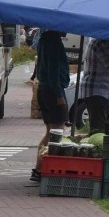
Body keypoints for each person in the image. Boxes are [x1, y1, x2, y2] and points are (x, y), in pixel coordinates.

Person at [31, 30, 70, 182]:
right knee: (57, 131)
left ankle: (39, 168)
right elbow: (53, 70)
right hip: (53, 91)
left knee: (50, 132)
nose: (67, 30)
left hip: (45, 89)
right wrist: (59, 95)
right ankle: (45, 168)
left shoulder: (44, 40)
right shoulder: (53, 42)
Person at [79, 38, 109, 132]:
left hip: (100, 92)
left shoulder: (105, 43)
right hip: (97, 91)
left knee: (100, 126)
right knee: (98, 129)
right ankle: (97, 146)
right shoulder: (100, 43)